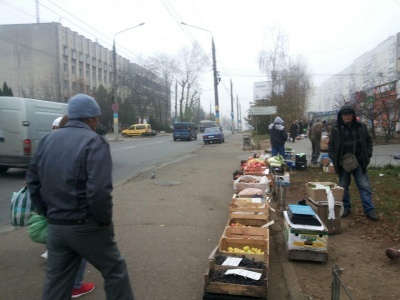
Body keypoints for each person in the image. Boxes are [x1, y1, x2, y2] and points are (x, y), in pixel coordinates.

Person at [26, 94, 134, 299]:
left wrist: (47, 213)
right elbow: (99, 190)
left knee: (56, 281)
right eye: (97, 118)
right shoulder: (94, 141)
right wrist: (103, 222)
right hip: (85, 225)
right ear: (91, 118)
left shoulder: (47, 140)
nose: (97, 122)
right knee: (115, 270)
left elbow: (33, 182)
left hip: (56, 226)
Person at [39, 116, 95, 298]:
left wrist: (43, 210)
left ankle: (59, 289)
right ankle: (75, 286)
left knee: (59, 255)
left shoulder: (47, 145)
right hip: (75, 214)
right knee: (80, 250)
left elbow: (34, 180)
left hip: (54, 213)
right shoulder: (80, 147)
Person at [328, 104, 379, 221]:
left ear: (353, 115)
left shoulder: (361, 127)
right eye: (344, 115)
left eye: (349, 114)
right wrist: (334, 157)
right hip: (343, 163)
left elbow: (368, 141)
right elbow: (331, 145)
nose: (347, 117)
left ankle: (369, 210)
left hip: (359, 162)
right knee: (343, 187)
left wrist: (368, 154)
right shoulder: (336, 129)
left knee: (364, 186)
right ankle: (346, 208)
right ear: (341, 116)